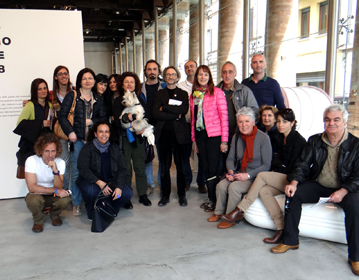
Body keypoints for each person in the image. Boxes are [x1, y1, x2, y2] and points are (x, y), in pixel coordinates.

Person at [270, 104, 359, 276]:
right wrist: (294, 182)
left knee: (356, 205)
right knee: (292, 194)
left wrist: (344, 191)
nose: (331, 123)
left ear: (345, 122)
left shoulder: (356, 145)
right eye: (327, 119)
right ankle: (290, 240)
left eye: (336, 119)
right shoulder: (315, 140)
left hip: (344, 186)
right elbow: (302, 164)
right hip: (320, 183)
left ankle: (355, 257)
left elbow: (358, 175)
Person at [220, 108, 306, 243]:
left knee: (261, 176)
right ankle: (281, 228)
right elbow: (274, 161)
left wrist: (275, 171)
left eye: (284, 121)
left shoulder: (299, 141)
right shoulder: (277, 137)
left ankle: (240, 210)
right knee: (264, 191)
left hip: (292, 179)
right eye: (278, 121)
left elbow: (296, 167)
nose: (280, 124)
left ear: (292, 123)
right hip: (277, 176)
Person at [210, 107, 272, 229]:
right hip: (239, 173)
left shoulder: (263, 138)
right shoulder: (236, 137)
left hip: (255, 177)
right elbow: (230, 158)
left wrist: (248, 175)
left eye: (247, 121)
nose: (244, 125)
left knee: (234, 187)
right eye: (240, 121)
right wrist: (231, 171)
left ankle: (230, 218)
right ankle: (218, 213)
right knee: (221, 185)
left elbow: (266, 165)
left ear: (253, 122)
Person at [57, 68, 106, 217]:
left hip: (92, 141)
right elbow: (62, 116)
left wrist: (92, 121)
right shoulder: (72, 95)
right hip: (76, 140)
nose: (87, 81)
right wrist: (70, 132)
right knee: (76, 172)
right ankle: (76, 203)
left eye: (90, 78)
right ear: (80, 81)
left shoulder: (97, 98)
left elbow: (103, 118)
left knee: (94, 170)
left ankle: (93, 200)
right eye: (84, 78)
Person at [190, 65, 229, 212]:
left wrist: (224, 140)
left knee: (214, 168)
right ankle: (211, 197)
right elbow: (194, 119)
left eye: (205, 74)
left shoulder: (217, 93)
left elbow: (224, 117)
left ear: (210, 77)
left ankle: (215, 200)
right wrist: (194, 139)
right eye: (200, 74)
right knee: (205, 168)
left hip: (214, 136)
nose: (202, 77)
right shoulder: (194, 95)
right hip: (201, 136)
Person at [77, 121, 133, 220]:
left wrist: (119, 187)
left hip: (111, 181)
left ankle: (110, 208)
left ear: (109, 134)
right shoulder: (87, 149)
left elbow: (122, 169)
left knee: (127, 193)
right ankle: (92, 211)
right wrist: (98, 182)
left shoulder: (114, 148)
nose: (104, 135)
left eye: (106, 132)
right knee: (91, 192)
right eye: (101, 132)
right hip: (92, 182)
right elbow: (83, 169)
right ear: (95, 134)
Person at [152, 66, 191, 207]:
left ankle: (182, 195)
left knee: (181, 167)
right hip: (163, 135)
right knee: (164, 167)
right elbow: (155, 113)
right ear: (164, 76)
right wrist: (175, 114)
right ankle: (165, 195)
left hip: (180, 136)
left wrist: (165, 108)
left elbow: (183, 109)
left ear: (177, 77)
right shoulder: (159, 94)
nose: (170, 77)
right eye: (168, 74)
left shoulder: (183, 94)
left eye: (173, 74)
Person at [113, 72, 152, 207]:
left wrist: (142, 128)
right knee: (126, 169)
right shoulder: (118, 101)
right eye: (126, 82)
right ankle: (127, 196)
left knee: (140, 167)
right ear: (122, 84)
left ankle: (142, 194)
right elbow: (117, 122)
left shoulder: (140, 100)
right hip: (124, 139)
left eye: (132, 82)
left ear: (136, 84)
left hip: (139, 138)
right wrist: (127, 121)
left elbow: (147, 116)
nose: (129, 84)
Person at [24, 133, 71, 233]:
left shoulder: (60, 162)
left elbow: (59, 186)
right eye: (47, 151)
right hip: (36, 194)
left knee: (65, 199)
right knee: (33, 200)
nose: (50, 155)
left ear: (57, 151)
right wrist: (54, 190)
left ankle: (55, 215)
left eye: (53, 151)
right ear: (41, 151)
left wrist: (55, 171)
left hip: (52, 195)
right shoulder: (31, 161)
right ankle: (38, 221)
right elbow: (32, 187)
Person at [178, 60, 206, 193]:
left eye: (192, 66)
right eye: (186, 67)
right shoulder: (180, 86)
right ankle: (187, 180)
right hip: (184, 125)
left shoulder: (205, 87)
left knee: (202, 155)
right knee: (185, 155)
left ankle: (201, 182)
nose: (189, 68)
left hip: (200, 126)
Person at [15, 78, 53, 177]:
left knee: (44, 175)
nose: (43, 91)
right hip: (31, 146)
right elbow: (20, 124)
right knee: (32, 175)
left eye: (45, 88)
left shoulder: (49, 105)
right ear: (35, 91)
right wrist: (41, 123)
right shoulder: (30, 105)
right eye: (39, 89)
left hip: (45, 146)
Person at [140, 60, 166, 194]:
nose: (152, 72)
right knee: (148, 156)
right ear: (145, 71)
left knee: (162, 156)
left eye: (154, 69)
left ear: (158, 71)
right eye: (149, 69)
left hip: (161, 125)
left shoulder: (165, 86)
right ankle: (150, 183)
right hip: (145, 126)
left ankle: (162, 182)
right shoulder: (140, 88)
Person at [216, 61, 258, 139]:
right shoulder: (215, 91)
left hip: (239, 135)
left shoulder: (244, 91)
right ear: (221, 75)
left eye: (230, 72)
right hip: (218, 135)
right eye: (224, 72)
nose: (227, 75)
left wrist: (245, 127)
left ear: (235, 74)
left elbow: (255, 111)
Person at [52, 65, 74, 190]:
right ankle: (65, 191)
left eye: (65, 73)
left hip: (75, 133)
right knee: (64, 163)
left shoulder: (75, 92)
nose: (63, 76)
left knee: (76, 164)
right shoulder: (52, 95)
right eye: (60, 74)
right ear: (56, 77)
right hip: (60, 135)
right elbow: (40, 100)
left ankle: (74, 192)